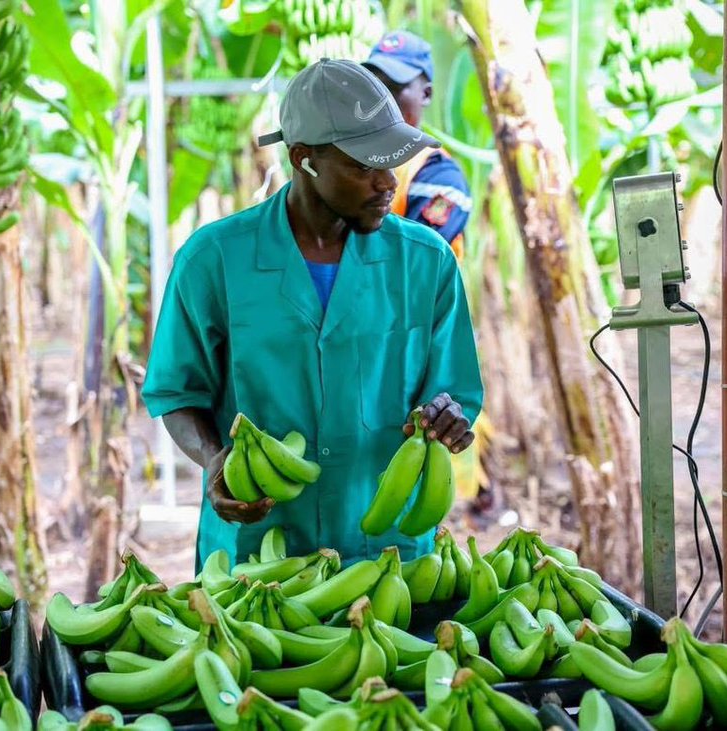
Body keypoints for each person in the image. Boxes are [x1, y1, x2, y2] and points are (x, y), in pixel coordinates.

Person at [142, 59, 484, 569]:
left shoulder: (427, 262)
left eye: (391, 164)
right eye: (364, 167)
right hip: (256, 553)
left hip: (388, 556)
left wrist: (447, 416)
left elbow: (455, 389)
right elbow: (176, 393)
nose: (388, 182)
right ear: (304, 159)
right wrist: (215, 459)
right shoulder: (212, 260)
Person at [363, 30, 473, 259]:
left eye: (393, 87)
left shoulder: (440, 177)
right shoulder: (350, 161)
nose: (380, 98)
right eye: (372, 86)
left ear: (426, 94)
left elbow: (411, 271)